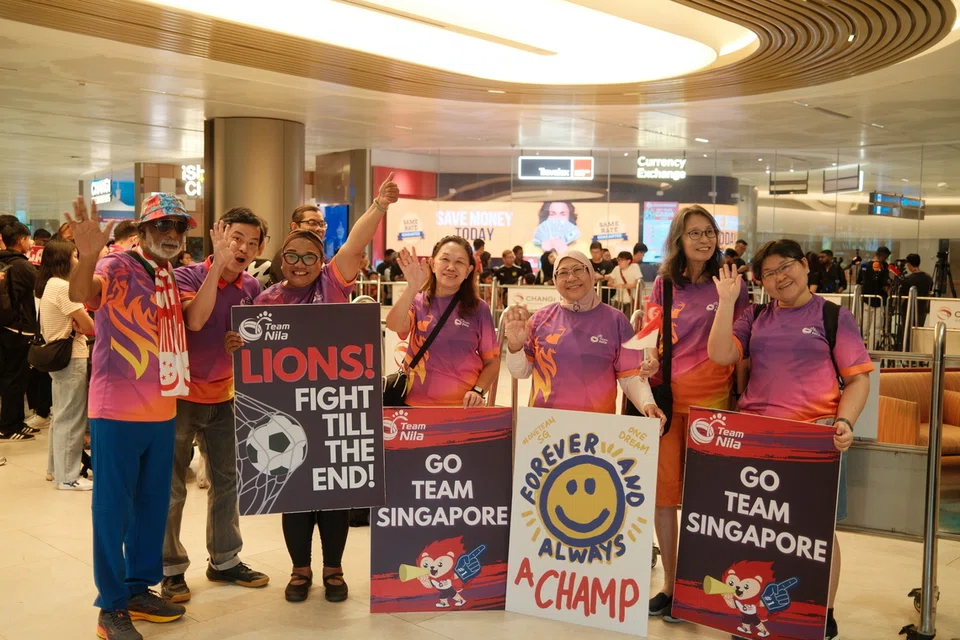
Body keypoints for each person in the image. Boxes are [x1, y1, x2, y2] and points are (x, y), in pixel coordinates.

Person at [228, 174, 399, 605]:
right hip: (288, 417)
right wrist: (238, 344)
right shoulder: (266, 302)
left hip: (336, 412)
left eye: (309, 256)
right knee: (297, 496)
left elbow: (355, 246)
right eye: (292, 256)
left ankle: (334, 569)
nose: (300, 263)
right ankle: (300, 570)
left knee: (335, 495)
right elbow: (253, 361)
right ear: (282, 259)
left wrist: (378, 206)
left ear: (322, 261)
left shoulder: (332, 284)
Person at [707, 240, 873, 640]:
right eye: (769, 273)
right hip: (757, 437)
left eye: (787, 267)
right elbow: (721, 354)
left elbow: (857, 379)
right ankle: (757, 613)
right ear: (761, 282)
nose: (781, 278)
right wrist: (727, 303)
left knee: (815, 533)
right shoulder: (756, 315)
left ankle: (822, 610)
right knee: (756, 530)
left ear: (804, 266)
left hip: (815, 439)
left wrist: (844, 422)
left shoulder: (833, 316)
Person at [67, 193, 193, 640]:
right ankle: (112, 606)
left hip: (162, 409)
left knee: (152, 507)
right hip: (117, 408)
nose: (172, 235)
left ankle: (139, 588)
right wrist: (86, 255)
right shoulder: (117, 264)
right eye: (162, 227)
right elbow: (83, 295)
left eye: (179, 227)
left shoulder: (169, 276)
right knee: (112, 509)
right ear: (141, 233)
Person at [645, 205, 749, 622]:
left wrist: (744, 397)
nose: (704, 240)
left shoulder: (732, 283)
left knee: (710, 505)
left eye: (710, 232)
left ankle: (705, 588)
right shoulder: (663, 284)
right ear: (678, 238)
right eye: (694, 233)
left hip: (717, 408)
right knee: (665, 499)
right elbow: (653, 336)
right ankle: (672, 585)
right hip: (668, 405)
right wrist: (648, 361)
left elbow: (743, 346)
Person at [160, 208, 269, 605]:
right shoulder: (185, 275)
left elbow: (255, 344)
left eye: (252, 242)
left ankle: (224, 560)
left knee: (228, 483)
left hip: (225, 396)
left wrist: (240, 347)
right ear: (217, 237)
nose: (243, 248)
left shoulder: (252, 287)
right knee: (171, 487)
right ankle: (170, 569)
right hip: (179, 397)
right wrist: (215, 270)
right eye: (236, 238)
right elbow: (194, 319)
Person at [503, 251, 665, 422]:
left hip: (596, 429)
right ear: (555, 280)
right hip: (544, 429)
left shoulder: (616, 321)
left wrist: (648, 405)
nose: (571, 278)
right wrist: (515, 346)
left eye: (578, 270)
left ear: (591, 275)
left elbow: (630, 376)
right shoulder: (540, 319)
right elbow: (520, 372)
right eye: (563, 273)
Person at [386, 237, 499, 407]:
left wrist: (478, 391)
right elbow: (394, 325)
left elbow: (492, 362)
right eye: (445, 259)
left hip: (462, 408)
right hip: (415, 405)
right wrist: (412, 288)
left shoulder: (479, 309)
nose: (451, 267)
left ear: (468, 270)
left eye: (459, 262)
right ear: (432, 264)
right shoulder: (417, 301)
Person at [36, 240, 94, 489]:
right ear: (63, 259)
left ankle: (55, 469)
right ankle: (68, 477)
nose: (77, 260)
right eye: (74, 255)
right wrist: (82, 324)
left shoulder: (49, 284)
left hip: (57, 356)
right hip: (72, 356)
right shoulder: (63, 287)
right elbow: (89, 325)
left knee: (60, 415)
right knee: (71, 417)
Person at [0, 221, 38, 442]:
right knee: (16, 378)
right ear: (22, 240)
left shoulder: (4, 262)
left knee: (10, 377)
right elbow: (40, 285)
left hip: (5, 327)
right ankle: (9, 426)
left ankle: (15, 421)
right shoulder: (22, 266)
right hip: (18, 329)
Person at [267, 204, 326, 286]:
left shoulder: (323, 257)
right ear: (294, 226)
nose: (319, 228)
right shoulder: (285, 257)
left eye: (322, 224)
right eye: (312, 223)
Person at [857, 246, 891, 350]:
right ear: (882, 256)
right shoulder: (883, 269)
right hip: (878, 301)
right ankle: (872, 349)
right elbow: (886, 286)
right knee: (874, 327)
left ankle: (859, 348)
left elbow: (859, 283)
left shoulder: (865, 266)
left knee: (865, 326)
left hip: (868, 299)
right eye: (886, 257)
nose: (886, 259)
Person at [900, 253, 934, 330]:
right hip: (922, 309)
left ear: (908, 264)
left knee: (907, 332)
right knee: (918, 330)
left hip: (908, 310)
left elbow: (903, 297)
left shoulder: (908, 279)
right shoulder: (928, 278)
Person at [606, 250, 644, 315]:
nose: (619, 262)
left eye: (621, 260)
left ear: (628, 261)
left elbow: (637, 283)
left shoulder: (635, 267)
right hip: (618, 300)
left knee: (629, 321)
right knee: (615, 319)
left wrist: (623, 286)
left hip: (630, 300)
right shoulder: (616, 268)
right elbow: (609, 283)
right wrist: (615, 285)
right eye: (618, 260)